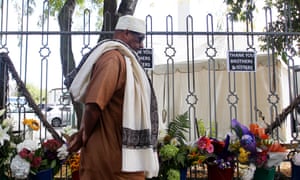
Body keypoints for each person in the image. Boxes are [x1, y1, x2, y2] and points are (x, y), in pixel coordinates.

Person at [67, 15, 159, 180]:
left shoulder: (125, 60)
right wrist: (84, 135)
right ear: (125, 33)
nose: (141, 45)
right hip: (109, 161)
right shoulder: (112, 59)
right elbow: (94, 105)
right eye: (139, 39)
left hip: (125, 160)